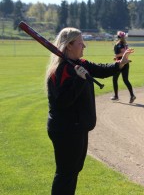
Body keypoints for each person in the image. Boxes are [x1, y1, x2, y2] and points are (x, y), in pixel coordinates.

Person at [45, 27, 134, 195]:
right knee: (65, 174)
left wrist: (120, 63)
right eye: (80, 43)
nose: (84, 46)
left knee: (73, 171)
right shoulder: (60, 71)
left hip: (78, 127)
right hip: (65, 129)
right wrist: (78, 80)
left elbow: (101, 70)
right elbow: (62, 102)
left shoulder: (81, 64)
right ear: (69, 45)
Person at [111, 31, 136, 103]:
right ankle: (132, 95)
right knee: (125, 80)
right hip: (125, 63)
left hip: (119, 63)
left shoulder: (120, 44)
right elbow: (125, 54)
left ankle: (116, 96)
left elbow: (123, 53)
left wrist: (116, 56)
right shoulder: (125, 44)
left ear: (118, 37)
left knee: (115, 79)